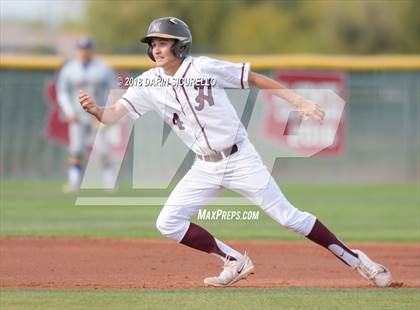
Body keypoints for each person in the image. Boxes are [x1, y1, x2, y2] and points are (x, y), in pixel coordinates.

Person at [79, 17, 392, 287]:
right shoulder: (147, 83)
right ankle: (233, 261)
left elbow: (253, 77)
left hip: (240, 158)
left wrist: (298, 102)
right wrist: (96, 110)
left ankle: (358, 261)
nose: (156, 48)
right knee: (168, 223)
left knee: (289, 218)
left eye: (164, 42)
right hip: (204, 166)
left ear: (181, 46)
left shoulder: (204, 67)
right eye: (153, 43)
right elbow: (113, 115)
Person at [57, 37, 117, 192]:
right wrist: (69, 112)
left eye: (86, 49)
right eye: (81, 49)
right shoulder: (69, 69)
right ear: (77, 50)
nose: (84, 52)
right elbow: (62, 92)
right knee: (76, 149)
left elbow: (114, 91)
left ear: (91, 50)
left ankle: (109, 183)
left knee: (103, 149)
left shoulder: (103, 68)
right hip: (78, 114)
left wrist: (106, 113)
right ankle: (74, 182)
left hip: (97, 113)